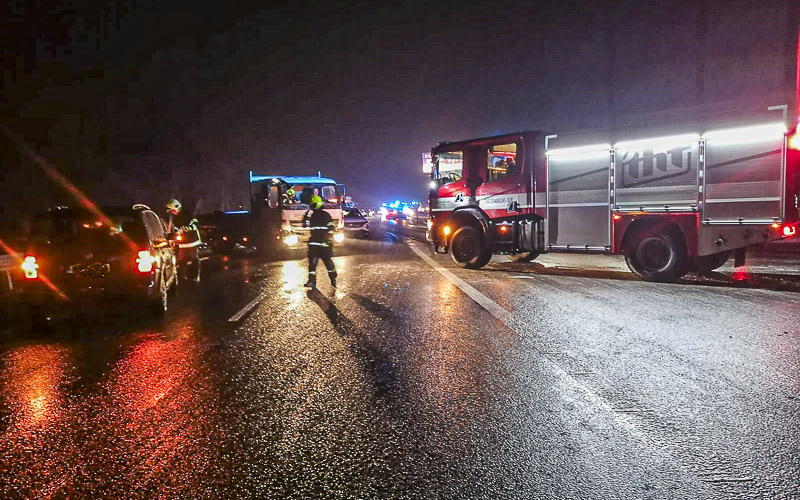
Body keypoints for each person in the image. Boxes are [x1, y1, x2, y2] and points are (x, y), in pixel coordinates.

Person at [302, 195, 337, 288]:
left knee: (328, 263)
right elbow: (304, 224)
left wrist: (328, 239)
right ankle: (312, 281)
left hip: (323, 244)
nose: (311, 206)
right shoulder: (312, 215)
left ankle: (333, 278)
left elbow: (331, 228)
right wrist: (307, 213)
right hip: (314, 244)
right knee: (312, 265)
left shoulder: (325, 215)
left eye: (312, 205)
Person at [166, 198, 202, 282]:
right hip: (182, 242)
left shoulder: (188, 214)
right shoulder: (176, 218)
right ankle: (182, 277)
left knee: (194, 260)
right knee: (182, 261)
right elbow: (175, 229)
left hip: (192, 242)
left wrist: (187, 228)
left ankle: (195, 277)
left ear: (177, 207)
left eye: (172, 210)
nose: (172, 212)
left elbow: (196, 225)